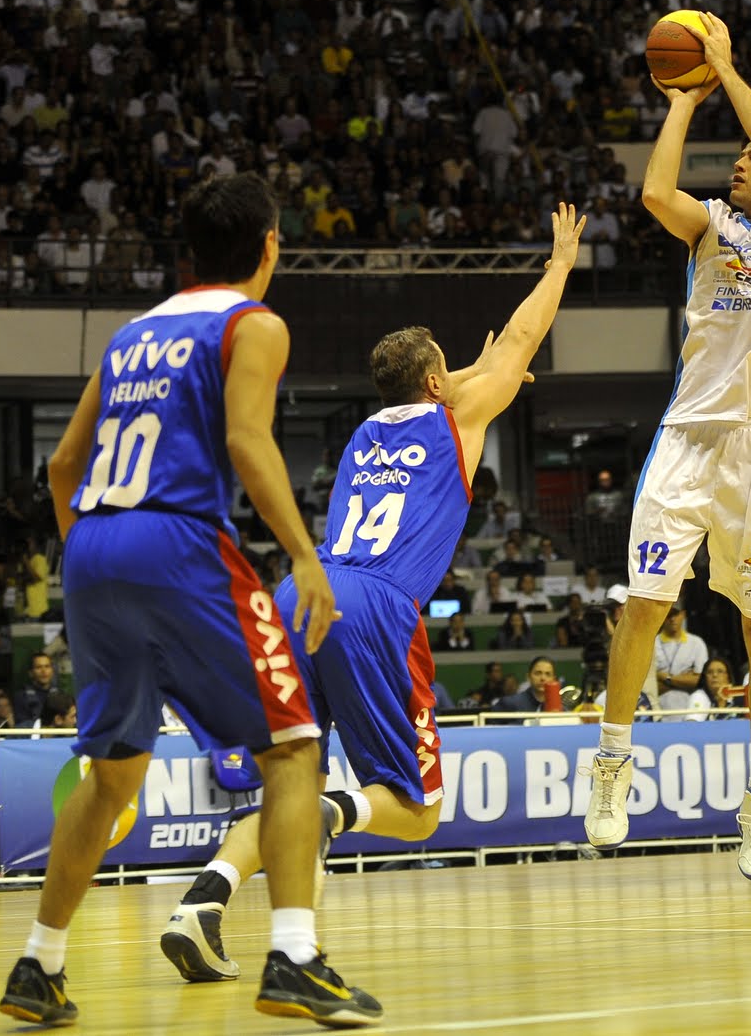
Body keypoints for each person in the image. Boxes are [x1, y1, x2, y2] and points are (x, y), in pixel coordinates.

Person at [158, 204, 586, 999]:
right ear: (436, 381)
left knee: (286, 782)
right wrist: (560, 262)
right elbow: (522, 339)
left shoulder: (364, 433)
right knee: (415, 810)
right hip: (374, 604)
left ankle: (204, 899)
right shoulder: (455, 417)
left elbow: (455, 379)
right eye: (449, 370)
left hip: (303, 593)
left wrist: (475, 374)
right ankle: (336, 812)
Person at [0, 173, 370, 1029]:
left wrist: (95, 555)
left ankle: (38, 964)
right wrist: (305, 556)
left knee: (113, 773)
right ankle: (296, 958)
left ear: (189, 251)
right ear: (271, 245)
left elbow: (61, 466)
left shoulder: (131, 332)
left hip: (91, 544)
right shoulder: (254, 323)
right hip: (176, 540)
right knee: (293, 746)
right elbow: (246, 439)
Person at [584, 10, 751, 889]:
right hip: (688, 435)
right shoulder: (711, 225)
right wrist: (684, 96)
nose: (740, 160)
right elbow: (653, 192)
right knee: (643, 605)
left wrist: (724, 70)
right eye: (740, 157)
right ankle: (612, 763)